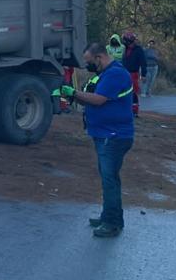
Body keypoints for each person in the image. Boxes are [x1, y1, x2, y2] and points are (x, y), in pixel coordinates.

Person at [57, 42, 134, 238]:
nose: (88, 67)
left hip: (114, 136)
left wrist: (73, 93)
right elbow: (92, 97)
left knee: (110, 180)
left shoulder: (115, 74)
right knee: (108, 179)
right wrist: (73, 96)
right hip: (106, 134)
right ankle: (109, 216)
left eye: (90, 62)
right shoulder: (105, 74)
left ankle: (112, 223)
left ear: (99, 57)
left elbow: (99, 99)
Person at [121, 32, 146, 116]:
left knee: (133, 92)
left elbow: (143, 62)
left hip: (133, 73)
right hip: (124, 73)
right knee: (123, 91)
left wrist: (143, 74)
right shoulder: (125, 49)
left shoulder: (138, 50)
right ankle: (125, 108)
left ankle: (134, 110)